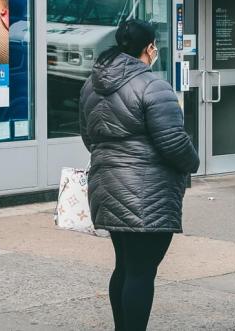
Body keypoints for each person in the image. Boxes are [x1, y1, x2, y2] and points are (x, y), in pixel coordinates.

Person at [79, 19, 200, 331]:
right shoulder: (153, 87)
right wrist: (193, 163)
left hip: (107, 187)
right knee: (142, 271)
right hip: (148, 194)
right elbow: (173, 142)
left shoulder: (91, 85)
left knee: (126, 267)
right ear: (149, 48)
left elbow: (88, 137)